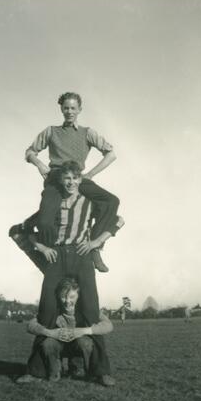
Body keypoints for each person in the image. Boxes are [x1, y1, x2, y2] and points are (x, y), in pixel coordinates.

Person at [10, 160, 116, 386]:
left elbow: (117, 220)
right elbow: (26, 229)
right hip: (56, 256)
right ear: (61, 180)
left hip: (81, 256)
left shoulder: (89, 201)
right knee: (47, 309)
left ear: (81, 180)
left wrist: (95, 242)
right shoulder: (51, 204)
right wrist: (42, 247)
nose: (71, 182)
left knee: (90, 309)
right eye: (67, 178)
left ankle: (100, 371)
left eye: (75, 178)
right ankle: (35, 371)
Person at [24, 91, 124, 272]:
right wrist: (39, 164)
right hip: (55, 177)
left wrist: (91, 174)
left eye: (73, 108)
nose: (69, 111)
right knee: (45, 222)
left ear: (79, 110)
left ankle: (95, 248)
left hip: (77, 178)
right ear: (61, 109)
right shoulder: (51, 131)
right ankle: (49, 255)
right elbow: (30, 152)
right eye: (66, 108)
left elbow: (111, 154)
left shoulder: (87, 133)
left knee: (111, 201)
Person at [16, 277, 114, 384]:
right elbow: (30, 325)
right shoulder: (53, 310)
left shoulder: (86, 310)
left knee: (85, 342)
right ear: (58, 296)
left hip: (77, 345)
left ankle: (84, 370)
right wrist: (50, 333)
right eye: (63, 297)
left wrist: (84, 331)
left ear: (78, 296)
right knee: (48, 343)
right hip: (59, 344)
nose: (67, 301)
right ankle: (54, 370)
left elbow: (108, 325)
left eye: (72, 297)